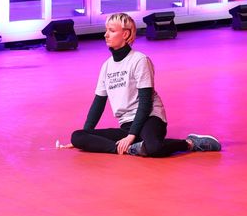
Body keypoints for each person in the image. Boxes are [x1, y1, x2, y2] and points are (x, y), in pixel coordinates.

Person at [70, 13, 221, 157]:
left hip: (150, 118)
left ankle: (190, 143)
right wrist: (86, 136)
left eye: (112, 30)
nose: (106, 34)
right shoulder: (106, 66)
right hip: (126, 124)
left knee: (154, 148)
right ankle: (129, 149)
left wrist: (131, 136)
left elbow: (145, 102)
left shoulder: (140, 60)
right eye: (106, 30)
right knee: (77, 136)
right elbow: (98, 103)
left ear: (126, 34)